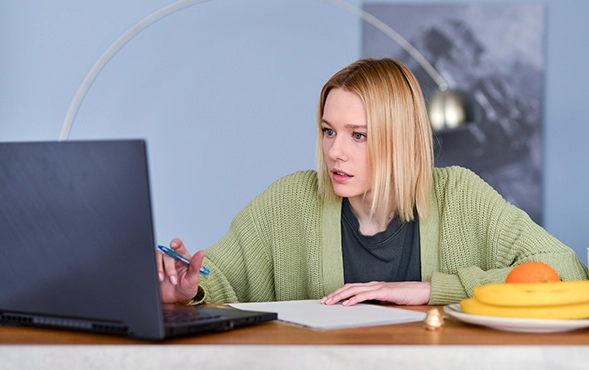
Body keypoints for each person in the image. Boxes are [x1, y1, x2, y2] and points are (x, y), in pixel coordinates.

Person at [157, 58, 588, 307]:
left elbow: (565, 270)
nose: (335, 152)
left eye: (358, 135)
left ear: (401, 139)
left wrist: (431, 290)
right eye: (329, 131)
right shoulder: (288, 202)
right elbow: (218, 280)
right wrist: (187, 291)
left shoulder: (460, 195)